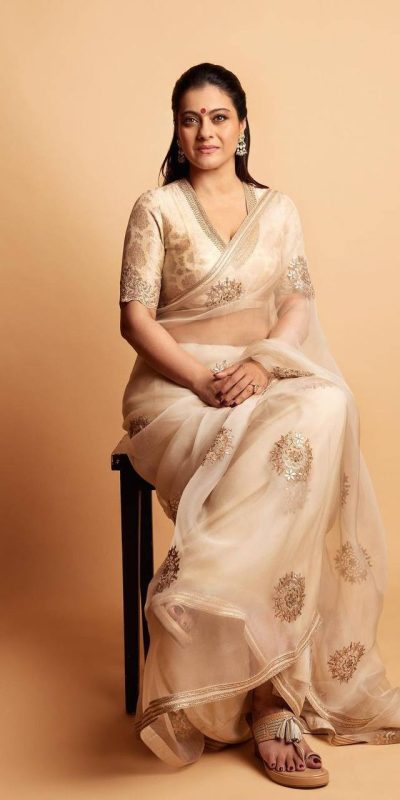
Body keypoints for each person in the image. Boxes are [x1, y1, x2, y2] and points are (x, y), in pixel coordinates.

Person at [118, 62, 400, 788]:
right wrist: (200, 379)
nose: (205, 132)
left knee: (329, 404)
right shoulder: (157, 208)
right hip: (177, 389)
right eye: (190, 119)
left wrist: (265, 367)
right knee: (265, 439)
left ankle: (218, 612)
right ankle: (269, 697)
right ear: (176, 131)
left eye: (218, 117)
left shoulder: (278, 209)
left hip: (257, 373)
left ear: (242, 126)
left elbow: (297, 304)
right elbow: (135, 320)